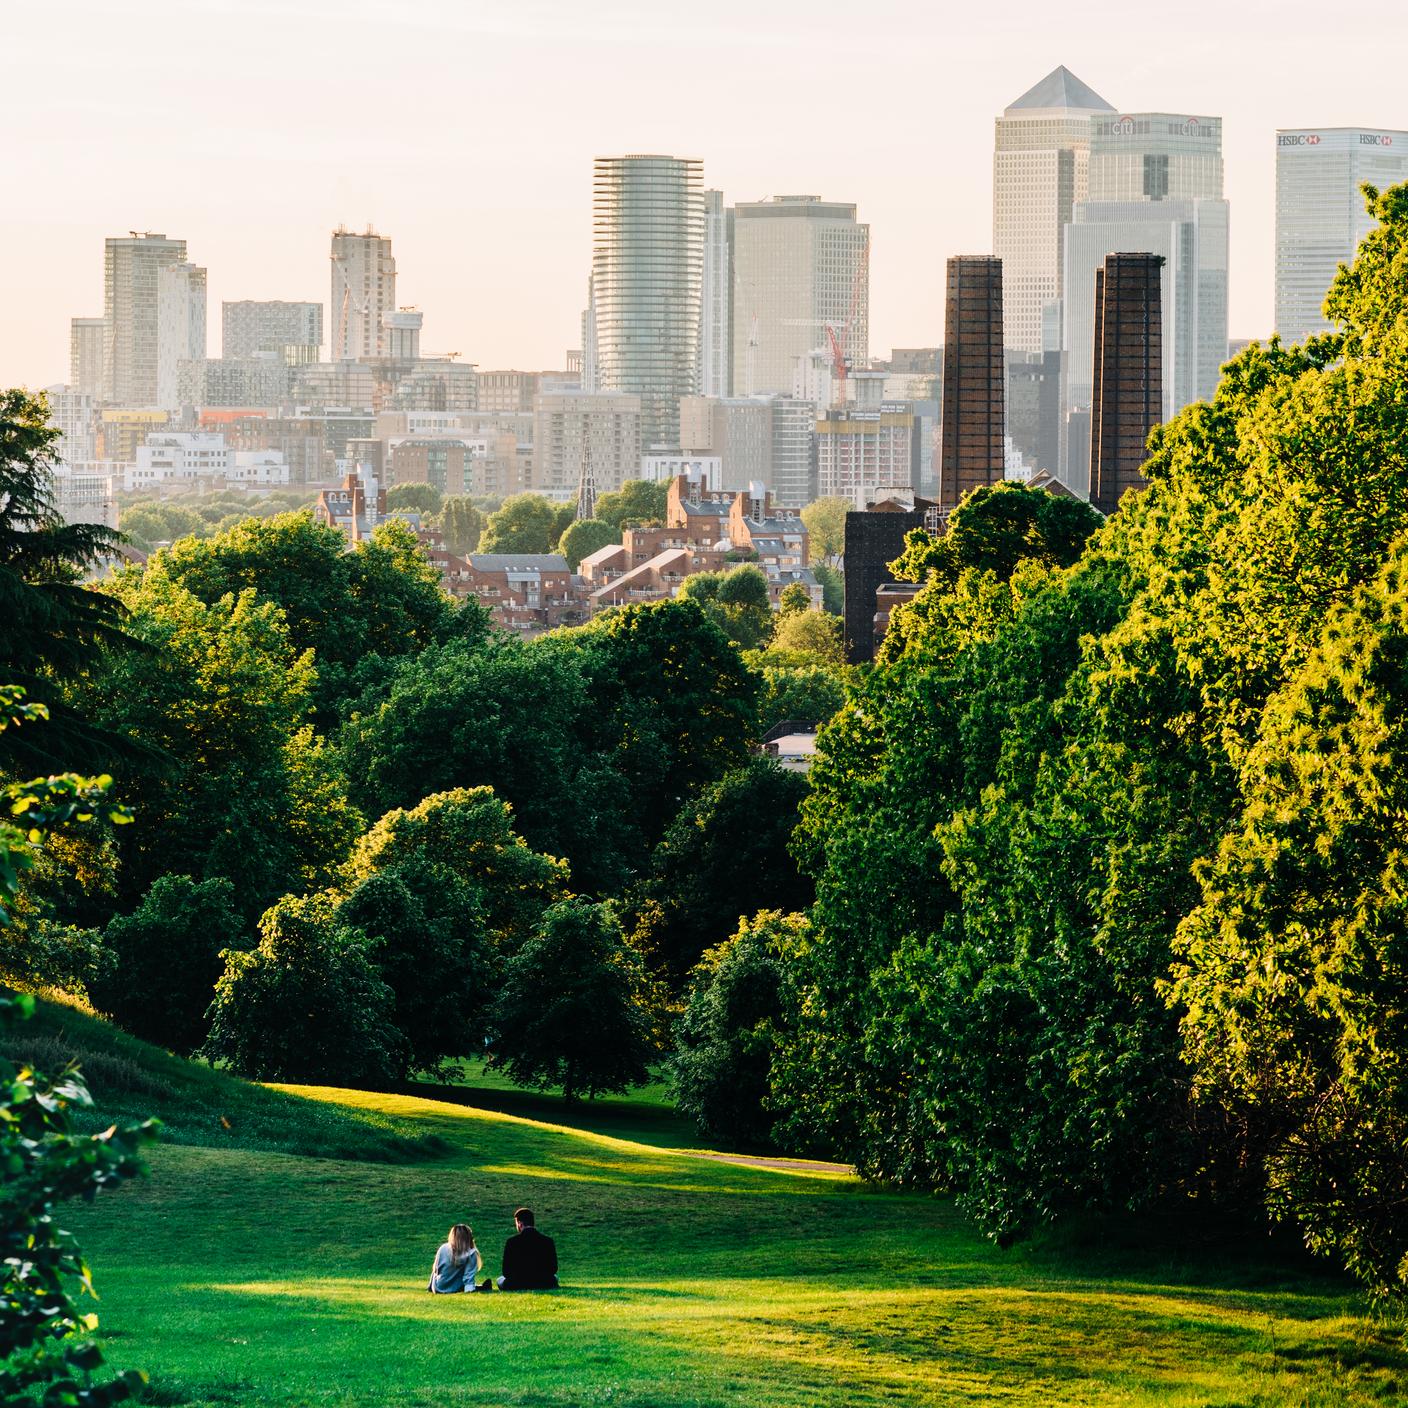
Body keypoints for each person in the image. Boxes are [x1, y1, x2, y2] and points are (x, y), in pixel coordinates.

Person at [494, 1207, 558, 1290]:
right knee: (555, 1278)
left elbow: (506, 1271)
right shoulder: (548, 1241)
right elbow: (553, 1268)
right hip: (543, 1282)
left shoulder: (512, 1242)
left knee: (500, 1280)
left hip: (517, 1283)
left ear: (519, 1223)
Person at [428, 1223, 481, 1293]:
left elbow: (436, 1269)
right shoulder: (471, 1253)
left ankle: (429, 1287)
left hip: (437, 1287)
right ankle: (479, 1287)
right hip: (454, 1288)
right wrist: (469, 1290)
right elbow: (468, 1277)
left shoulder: (443, 1248)